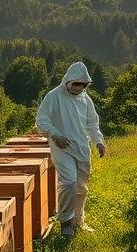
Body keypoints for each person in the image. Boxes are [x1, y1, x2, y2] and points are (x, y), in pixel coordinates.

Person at [35, 61, 106, 238]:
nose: (78, 88)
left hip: (81, 147)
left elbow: (92, 123)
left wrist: (98, 141)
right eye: (76, 84)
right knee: (68, 183)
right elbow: (42, 119)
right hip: (61, 147)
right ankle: (65, 222)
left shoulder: (86, 99)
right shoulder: (54, 96)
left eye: (82, 86)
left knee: (81, 187)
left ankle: (78, 220)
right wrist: (55, 135)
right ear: (68, 81)